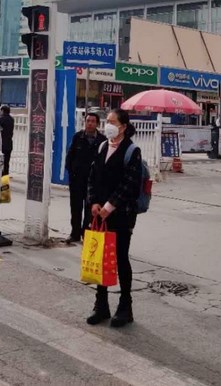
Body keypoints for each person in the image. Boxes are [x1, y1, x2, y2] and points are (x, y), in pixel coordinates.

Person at [87, 108, 143, 328]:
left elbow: (130, 184)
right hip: (99, 214)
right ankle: (101, 304)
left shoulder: (132, 151)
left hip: (121, 215)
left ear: (123, 127)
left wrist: (110, 206)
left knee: (120, 258)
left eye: (112, 122)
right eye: (107, 121)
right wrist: (93, 202)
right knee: (100, 258)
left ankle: (125, 306)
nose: (108, 125)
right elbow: (93, 177)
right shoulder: (103, 146)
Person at [65, 112, 106, 243]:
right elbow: (69, 156)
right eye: (88, 121)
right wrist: (72, 173)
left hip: (93, 182)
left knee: (90, 210)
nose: (90, 124)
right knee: (75, 208)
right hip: (77, 180)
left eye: (93, 121)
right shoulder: (78, 137)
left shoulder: (102, 140)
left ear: (97, 124)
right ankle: (74, 234)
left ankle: (86, 234)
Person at [0, 105, 15, 175]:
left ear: (2, 111)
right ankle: (6, 175)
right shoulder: (11, 119)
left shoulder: (0, 120)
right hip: (9, 143)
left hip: (1, 143)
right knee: (7, 161)